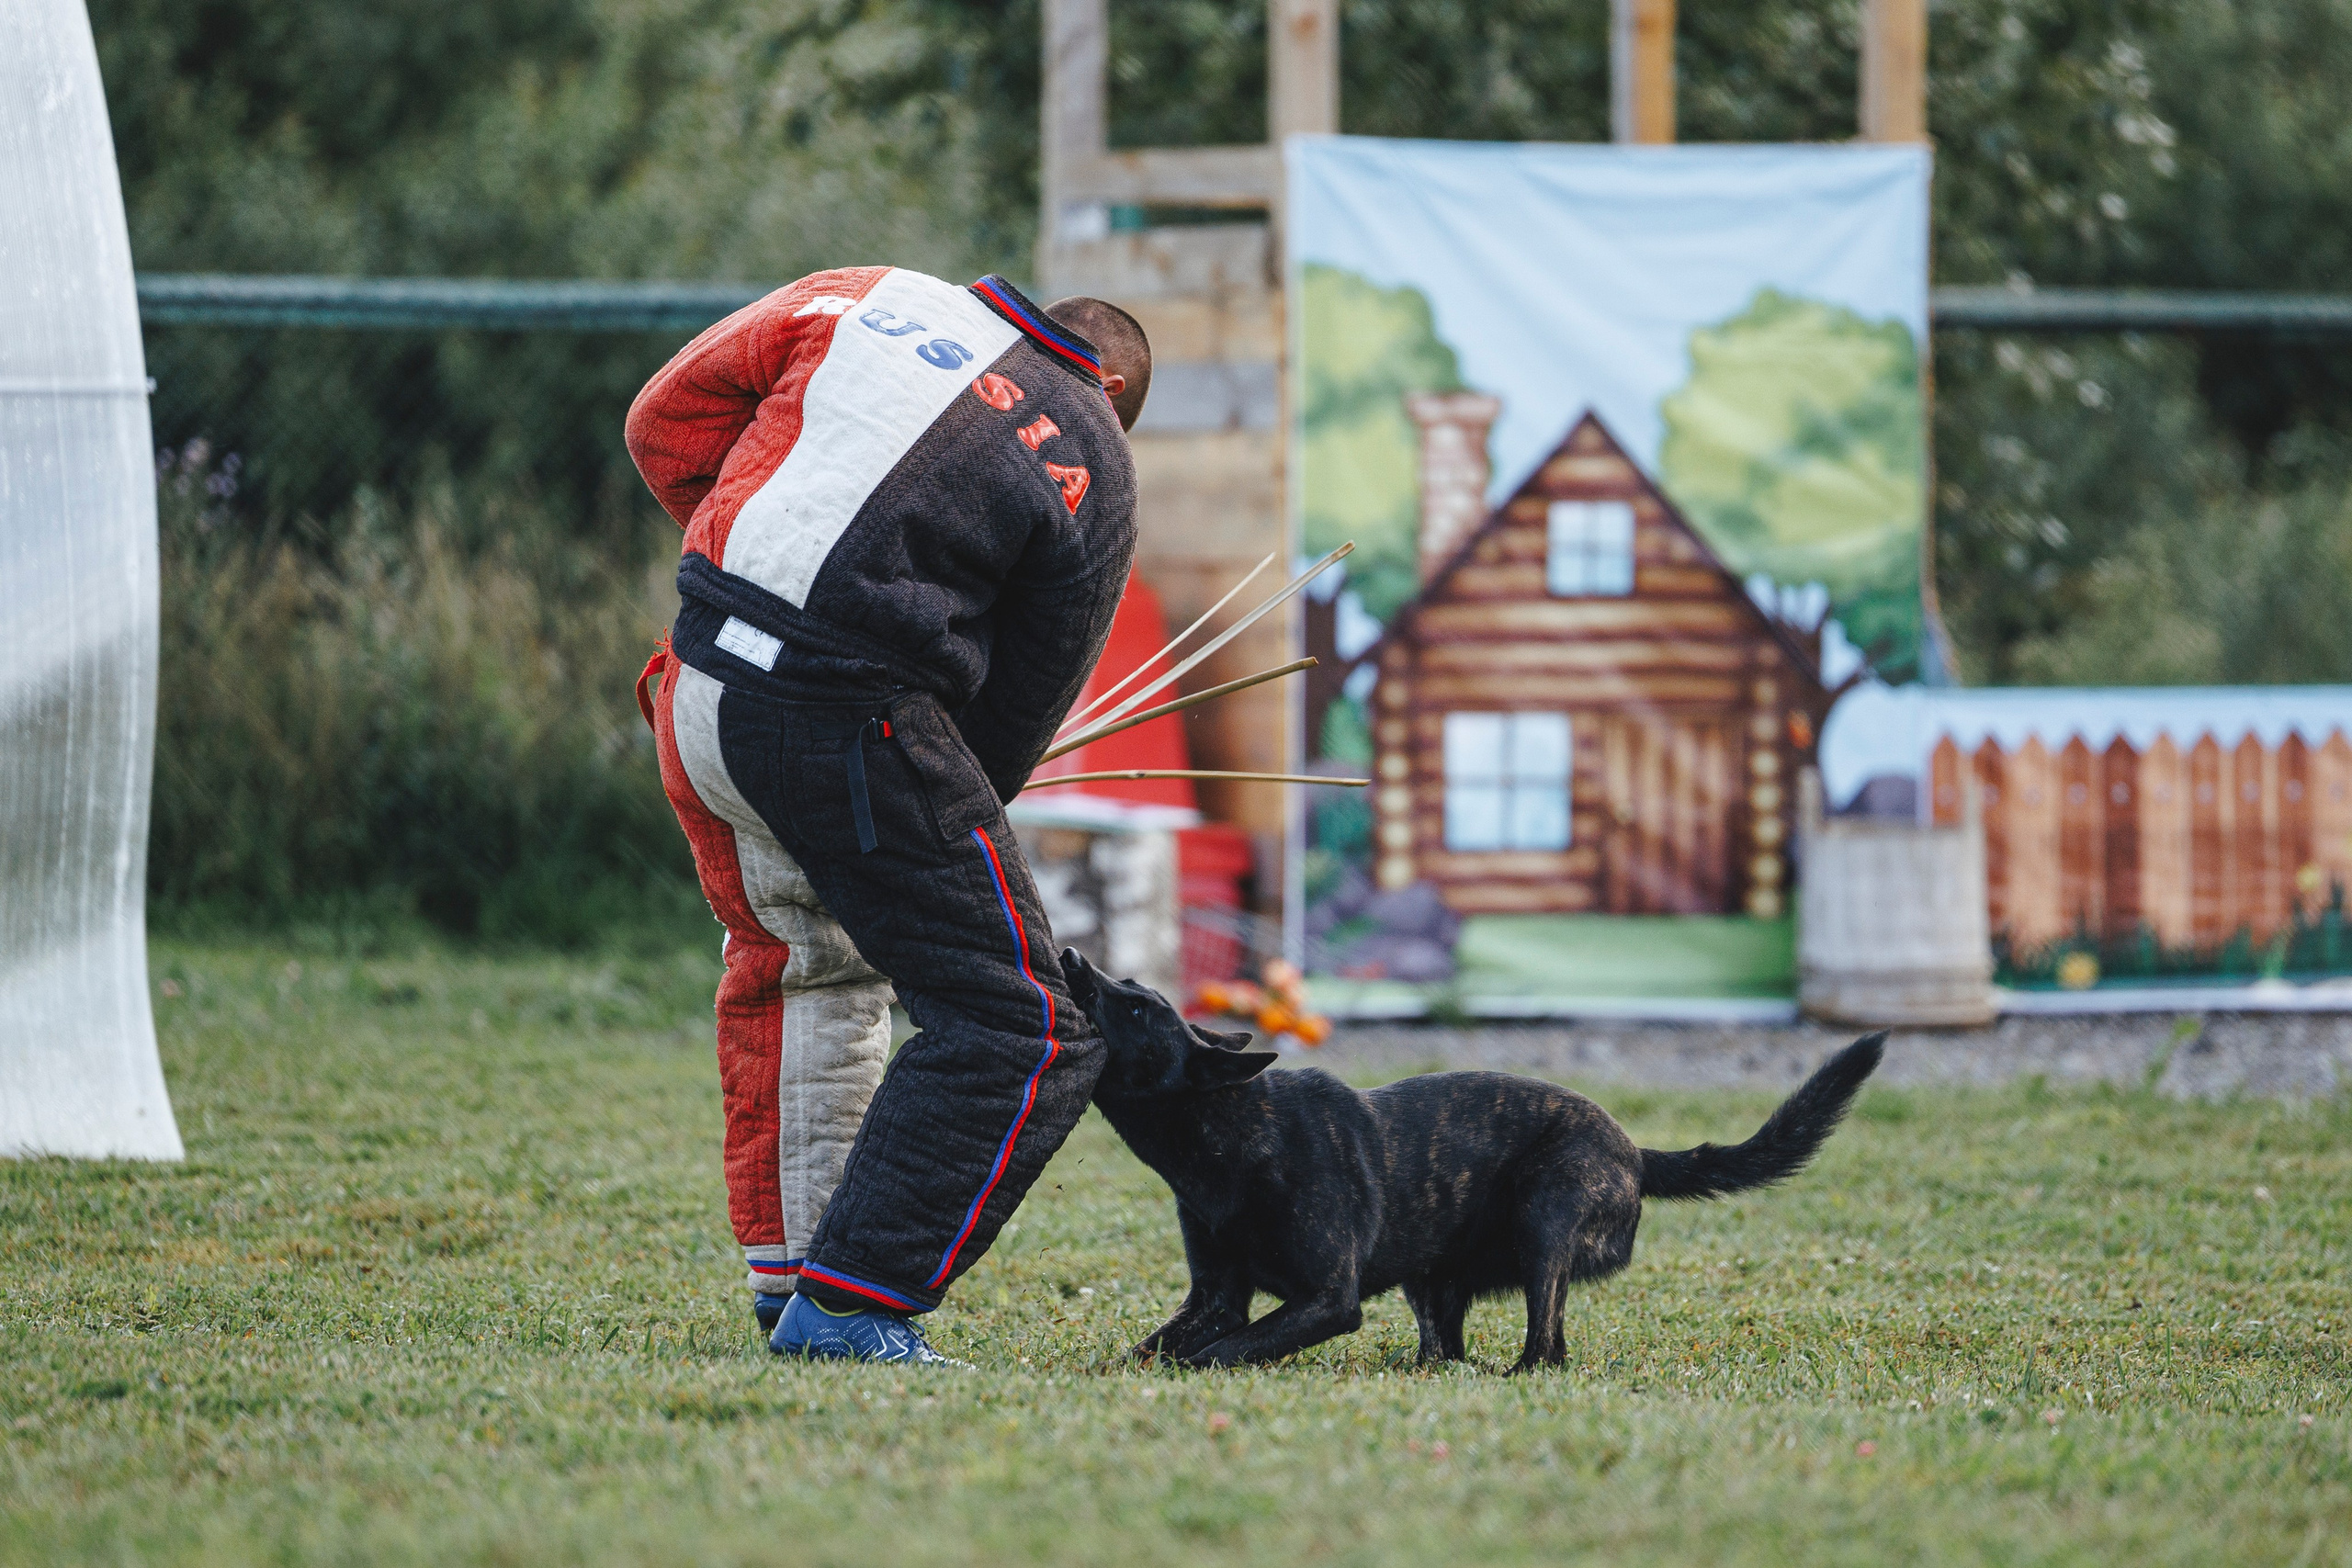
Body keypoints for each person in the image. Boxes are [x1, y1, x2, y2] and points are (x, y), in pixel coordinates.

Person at [626, 266, 1151, 1364]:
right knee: (1023, 1021)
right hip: (840, 718)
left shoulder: (863, 293)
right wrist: (959, 784)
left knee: (803, 961)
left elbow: (662, 422)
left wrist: (747, 546)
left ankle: (796, 1283)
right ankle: (857, 1303)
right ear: (1115, 396)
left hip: (698, 675)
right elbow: (1018, 712)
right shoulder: (1094, 455)